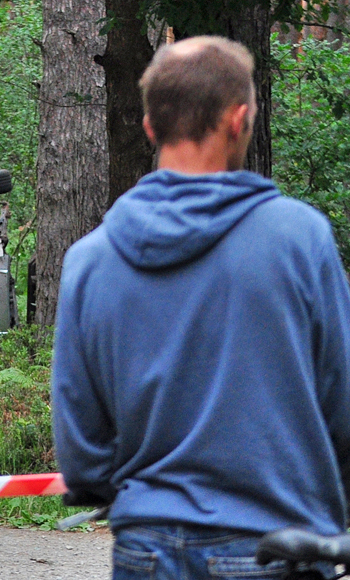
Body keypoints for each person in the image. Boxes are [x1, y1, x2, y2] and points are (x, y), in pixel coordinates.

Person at [51, 36, 350, 580]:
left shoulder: (90, 261)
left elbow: (81, 452)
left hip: (145, 552)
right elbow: (343, 406)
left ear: (149, 128)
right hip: (278, 546)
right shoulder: (299, 240)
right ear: (238, 121)